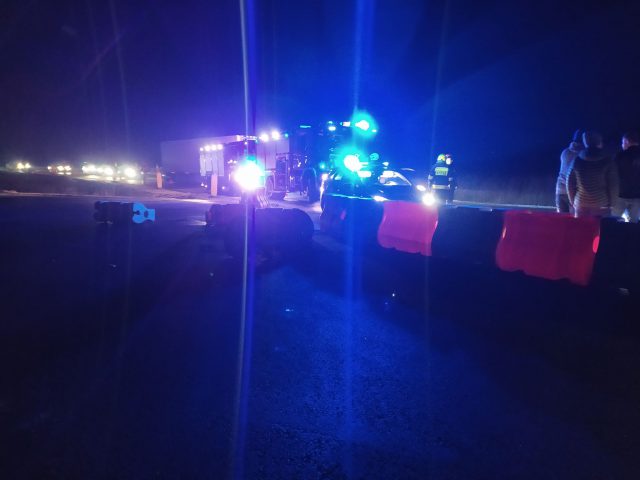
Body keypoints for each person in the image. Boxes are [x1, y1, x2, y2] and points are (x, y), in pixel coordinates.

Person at [567, 131, 619, 218]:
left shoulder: (577, 160)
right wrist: (612, 203)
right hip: (602, 203)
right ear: (599, 142)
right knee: (601, 226)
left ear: (585, 142)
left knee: (581, 226)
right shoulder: (607, 161)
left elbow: (569, 183)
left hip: (581, 203)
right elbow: (613, 185)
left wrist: (572, 201)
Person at [612, 132, 640, 222]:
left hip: (620, 194)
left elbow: (612, 174)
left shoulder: (620, 155)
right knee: (633, 222)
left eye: (622, 142)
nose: (622, 145)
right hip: (637, 196)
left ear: (627, 141)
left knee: (613, 220)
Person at [556, 129, 584, 213]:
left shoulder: (565, 152)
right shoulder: (583, 154)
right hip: (574, 192)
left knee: (561, 218)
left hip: (560, 190)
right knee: (576, 219)